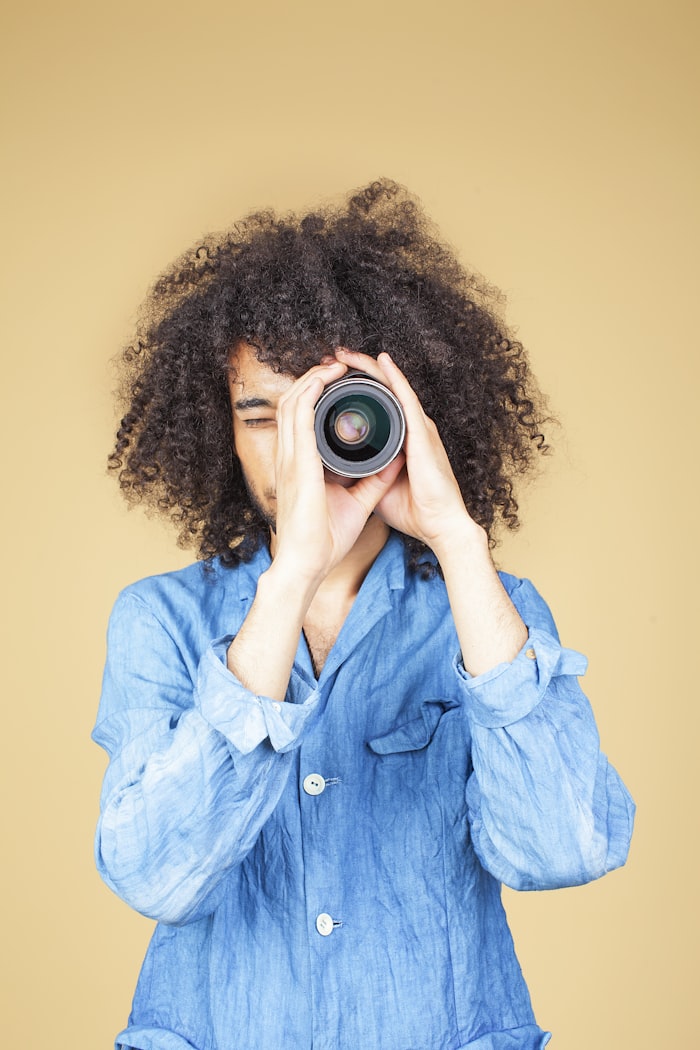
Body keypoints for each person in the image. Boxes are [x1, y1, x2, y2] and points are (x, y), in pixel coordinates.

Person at [93, 179, 634, 1050]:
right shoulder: (159, 619)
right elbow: (158, 876)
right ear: (218, 431)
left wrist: (459, 541)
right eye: (263, 416)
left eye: (334, 413)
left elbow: (560, 850)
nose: (300, 448)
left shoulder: (493, 614)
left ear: (403, 417)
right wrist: (293, 573)